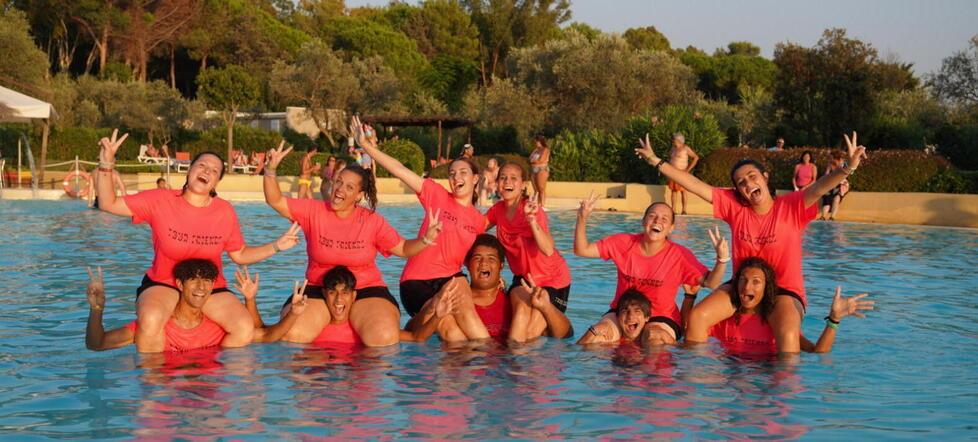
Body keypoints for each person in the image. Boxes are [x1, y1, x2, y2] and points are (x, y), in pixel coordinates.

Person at [635, 131, 867, 353]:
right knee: (697, 317)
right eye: (741, 183)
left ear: (765, 178)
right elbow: (694, 185)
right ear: (738, 191)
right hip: (742, 286)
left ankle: (783, 388)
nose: (747, 184)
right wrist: (656, 161)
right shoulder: (735, 208)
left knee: (787, 333)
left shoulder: (791, 207)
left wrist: (849, 167)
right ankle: (698, 379)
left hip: (784, 292)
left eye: (752, 177)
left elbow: (820, 187)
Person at [94, 129, 303, 353]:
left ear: (216, 182)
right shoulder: (160, 200)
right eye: (202, 165)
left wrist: (276, 246)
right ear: (190, 170)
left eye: (214, 170)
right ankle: (155, 382)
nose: (207, 171)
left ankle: (211, 371)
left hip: (209, 287)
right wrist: (106, 164)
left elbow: (239, 254)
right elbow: (108, 203)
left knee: (243, 327)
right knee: (152, 318)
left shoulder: (224, 211)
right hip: (164, 282)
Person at [262, 140, 442, 347]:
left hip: (366, 288)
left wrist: (426, 240)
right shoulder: (313, 211)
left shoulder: (372, 221)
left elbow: (402, 249)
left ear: (359, 195)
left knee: (382, 338)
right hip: (320, 288)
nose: (339, 189)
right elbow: (275, 200)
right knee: (294, 334)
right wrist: (270, 169)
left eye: (349, 187)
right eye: (338, 182)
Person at [349, 116, 487, 332]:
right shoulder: (436, 195)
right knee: (449, 328)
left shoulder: (479, 221)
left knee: (462, 323)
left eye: (463, 173)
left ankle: (483, 361)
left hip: (450, 279)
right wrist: (366, 146)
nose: (456, 177)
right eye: (452, 173)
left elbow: (484, 255)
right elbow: (399, 169)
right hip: (415, 283)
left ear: (475, 179)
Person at [574, 195, 729, 344]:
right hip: (623, 312)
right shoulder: (624, 243)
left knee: (653, 337)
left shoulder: (680, 255)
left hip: (661, 317)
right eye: (652, 216)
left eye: (664, 219)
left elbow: (711, 282)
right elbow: (582, 250)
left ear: (671, 228)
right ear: (643, 221)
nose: (657, 221)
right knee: (596, 333)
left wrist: (722, 260)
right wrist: (582, 218)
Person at [85, 260, 308, 352]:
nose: (201, 287)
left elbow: (268, 337)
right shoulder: (157, 327)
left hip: (209, 391)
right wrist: (97, 310)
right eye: (194, 280)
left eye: (207, 281)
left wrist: (295, 314)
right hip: (165, 392)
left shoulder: (218, 328)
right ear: (180, 284)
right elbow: (97, 344)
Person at [685, 257, 874, 354]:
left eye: (756, 282)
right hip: (729, 375)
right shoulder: (722, 321)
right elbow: (688, 336)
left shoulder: (774, 325)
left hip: (766, 377)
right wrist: (689, 297)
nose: (747, 286)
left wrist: (834, 319)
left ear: (767, 288)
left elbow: (818, 354)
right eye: (742, 280)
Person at [238, 266, 455, 345]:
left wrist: (437, 316)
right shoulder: (310, 326)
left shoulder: (364, 331)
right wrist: (250, 298)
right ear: (324, 294)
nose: (338, 300)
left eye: (344, 293)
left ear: (354, 297)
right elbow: (264, 334)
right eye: (332, 293)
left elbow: (418, 338)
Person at [487, 162, 573, 342]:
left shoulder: (533, 210)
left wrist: (532, 220)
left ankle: (518, 365)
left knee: (530, 332)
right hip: (524, 280)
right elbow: (473, 231)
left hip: (553, 281)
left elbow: (548, 249)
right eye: (502, 177)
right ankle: (508, 364)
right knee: (520, 316)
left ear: (523, 184)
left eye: (513, 178)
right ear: (497, 183)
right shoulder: (497, 211)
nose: (507, 182)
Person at [576, 290, 679, 346]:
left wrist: (668, 338)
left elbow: (680, 352)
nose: (631, 316)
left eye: (637, 311)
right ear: (617, 317)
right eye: (625, 311)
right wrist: (593, 331)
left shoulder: (652, 340)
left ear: (647, 317)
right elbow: (579, 352)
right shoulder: (610, 342)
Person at [667, 133, 700, 215]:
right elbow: (670, 158)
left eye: (674, 139)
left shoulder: (685, 148)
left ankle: (684, 210)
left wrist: (687, 170)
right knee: (673, 191)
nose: (672, 140)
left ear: (678, 140)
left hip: (682, 172)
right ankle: (673, 209)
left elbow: (696, 157)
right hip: (673, 172)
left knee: (683, 191)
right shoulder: (673, 149)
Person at [820, 150, 848, 220]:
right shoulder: (830, 164)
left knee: (837, 198)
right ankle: (823, 216)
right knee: (827, 197)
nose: (829, 159)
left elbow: (846, 174)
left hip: (841, 183)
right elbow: (826, 174)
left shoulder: (843, 163)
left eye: (831, 157)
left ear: (835, 157)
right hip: (831, 183)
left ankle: (832, 217)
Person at [528, 135, 551, 208]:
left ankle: (542, 205)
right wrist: (534, 161)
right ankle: (537, 204)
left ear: (540, 141)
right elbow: (530, 159)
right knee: (536, 189)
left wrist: (534, 161)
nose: (535, 143)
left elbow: (541, 160)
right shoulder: (535, 150)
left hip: (541, 169)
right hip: (533, 169)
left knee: (541, 188)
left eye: (536, 141)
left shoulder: (545, 149)